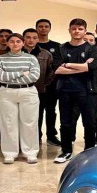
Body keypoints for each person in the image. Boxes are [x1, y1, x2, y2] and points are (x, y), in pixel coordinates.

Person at [53, 18, 97, 163]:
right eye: (74, 28)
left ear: (85, 31)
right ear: (69, 30)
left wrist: (67, 65)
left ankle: (89, 151)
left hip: (86, 90)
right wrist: (82, 68)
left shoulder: (91, 48)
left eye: (80, 29)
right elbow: (57, 70)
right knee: (66, 123)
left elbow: (91, 67)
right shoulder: (61, 48)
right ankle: (66, 151)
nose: (77, 31)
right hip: (65, 90)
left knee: (89, 122)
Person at [0, 33, 41, 164]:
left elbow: (34, 76)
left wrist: (10, 75)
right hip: (6, 92)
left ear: (23, 43)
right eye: (12, 41)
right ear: (7, 43)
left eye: (18, 41)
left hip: (28, 91)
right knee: (8, 124)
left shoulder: (31, 58)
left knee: (29, 123)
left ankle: (30, 153)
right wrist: (22, 73)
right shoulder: (0, 59)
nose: (15, 44)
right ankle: (10, 153)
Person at [22, 28, 55, 140]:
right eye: (28, 37)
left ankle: (37, 138)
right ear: (23, 39)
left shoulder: (46, 54)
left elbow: (51, 72)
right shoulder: (17, 53)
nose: (31, 40)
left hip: (39, 90)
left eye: (34, 38)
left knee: (38, 115)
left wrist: (43, 84)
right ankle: (24, 139)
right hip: (20, 89)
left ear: (38, 39)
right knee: (23, 116)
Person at [35, 18, 62, 147]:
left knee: (51, 111)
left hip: (52, 85)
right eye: (40, 26)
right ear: (36, 28)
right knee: (37, 111)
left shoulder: (57, 46)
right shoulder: (32, 46)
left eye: (46, 26)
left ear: (50, 28)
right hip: (36, 85)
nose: (43, 29)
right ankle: (36, 136)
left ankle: (51, 135)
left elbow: (59, 64)